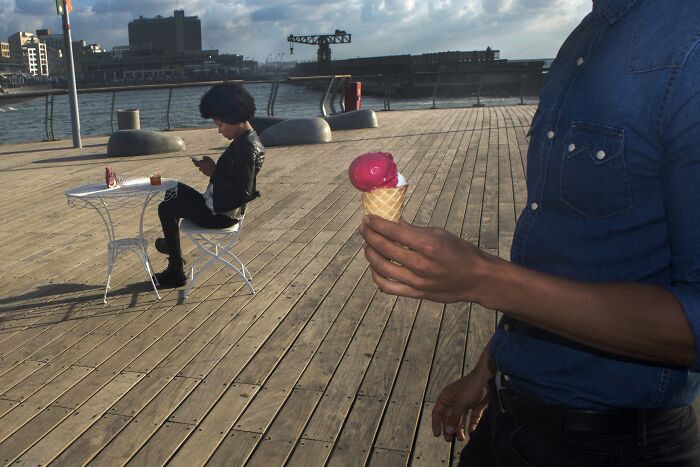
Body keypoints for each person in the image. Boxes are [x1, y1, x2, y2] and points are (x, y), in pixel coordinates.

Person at [358, 0, 700, 465]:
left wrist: (483, 278)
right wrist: (491, 364)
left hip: (612, 445)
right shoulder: (585, 38)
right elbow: (569, 255)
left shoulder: (690, 45)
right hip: (509, 414)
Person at [153, 83, 265, 288]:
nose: (219, 130)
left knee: (166, 206)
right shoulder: (244, 140)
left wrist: (213, 172)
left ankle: (175, 267)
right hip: (216, 205)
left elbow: (244, 191)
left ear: (235, 117)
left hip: (220, 215)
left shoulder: (246, 146)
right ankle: (173, 255)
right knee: (172, 189)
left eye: (221, 124)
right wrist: (213, 170)